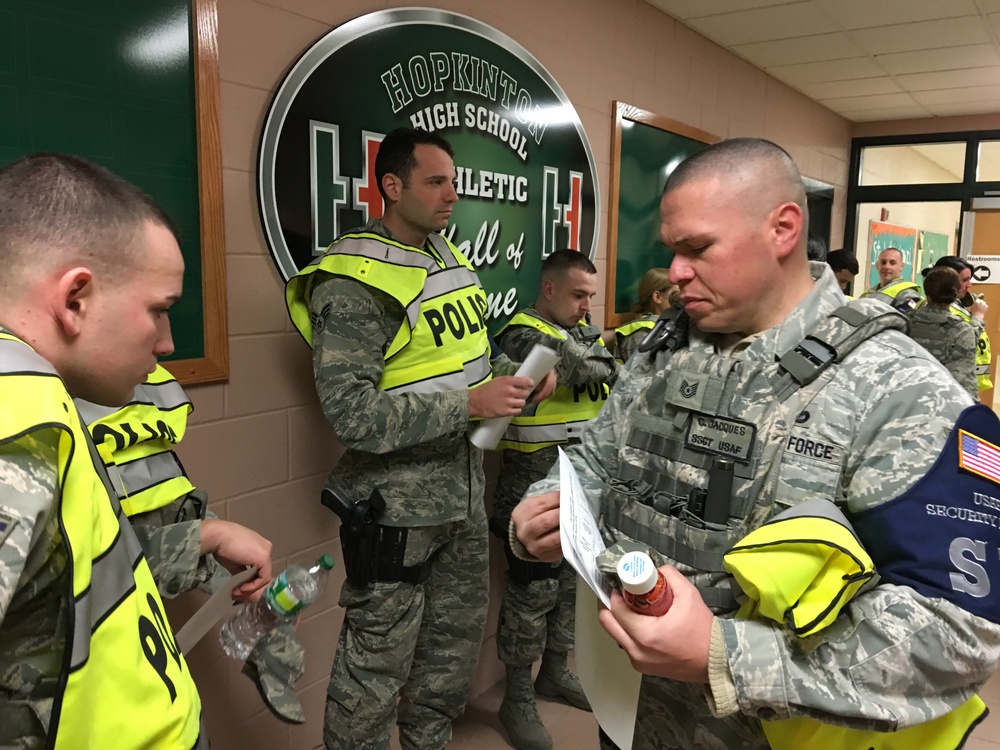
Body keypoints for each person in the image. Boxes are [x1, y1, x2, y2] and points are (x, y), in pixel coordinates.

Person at [509, 138, 1000, 749]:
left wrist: (723, 654)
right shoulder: (664, 350)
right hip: (634, 711)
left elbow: (954, 633)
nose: (678, 271)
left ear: (783, 229)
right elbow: (597, 457)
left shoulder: (902, 389)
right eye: (674, 251)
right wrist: (550, 499)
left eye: (698, 248)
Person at [284, 127, 554, 750]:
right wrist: (470, 404)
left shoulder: (445, 257)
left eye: (454, 182)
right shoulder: (352, 279)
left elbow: (464, 364)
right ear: (391, 185)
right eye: (436, 182)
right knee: (374, 676)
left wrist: (514, 384)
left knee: (446, 669)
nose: (451, 195)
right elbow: (352, 414)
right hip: (394, 513)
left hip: (459, 499)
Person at [0, 152, 273, 749]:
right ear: (75, 299)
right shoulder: (15, 422)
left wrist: (204, 537)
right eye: (159, 311)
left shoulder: (44, 400)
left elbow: (64, 585)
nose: (169, 341)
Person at [77, 364, 308, 724]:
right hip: (92, 662)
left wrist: (216, 541)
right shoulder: (30, 400)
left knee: (268, 596)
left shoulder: (136, 363)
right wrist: (210, 537)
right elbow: (84, 562)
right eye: (155, 310)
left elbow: (156, 482)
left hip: (165, 531)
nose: (167, 344)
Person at [491, 249, 617, 750]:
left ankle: (554, 671)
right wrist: (600, 352)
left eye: (591, 296)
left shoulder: (576, 331)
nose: (587, 306)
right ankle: (516, 696)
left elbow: (601, 361)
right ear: (548, 290)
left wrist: (599, 351)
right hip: (531, 491)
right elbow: (592, 365)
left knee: (571, 588)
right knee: (530, 597)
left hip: (581, 489)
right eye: (578, 295)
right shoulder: (522, 333)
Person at [906, 267, 979, 401]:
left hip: (907, 400)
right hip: (943, 404)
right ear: (955, 293)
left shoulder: (905, 322)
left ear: (927, 294)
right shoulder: (961, 330)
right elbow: (964, 381)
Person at [930, 255, 993, 394]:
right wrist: (978, 317)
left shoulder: (957, 305)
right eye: (965, 280)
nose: (969, 285)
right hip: (952, 386)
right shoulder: (941, 310)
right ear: (949, 281)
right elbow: (965, 342)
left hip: (967, 383)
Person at [614, 268, 678, 363]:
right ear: (657, 297)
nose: (679, 300)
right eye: (675, 295)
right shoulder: (640, 333)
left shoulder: (666, 325)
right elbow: (640, 372)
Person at [861, 246, 921, 311]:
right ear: (877, 265)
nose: (887, 267)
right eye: (883, 262)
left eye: (892, 263)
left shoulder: (907, 294)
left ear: (902, 266)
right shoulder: (869, 293)